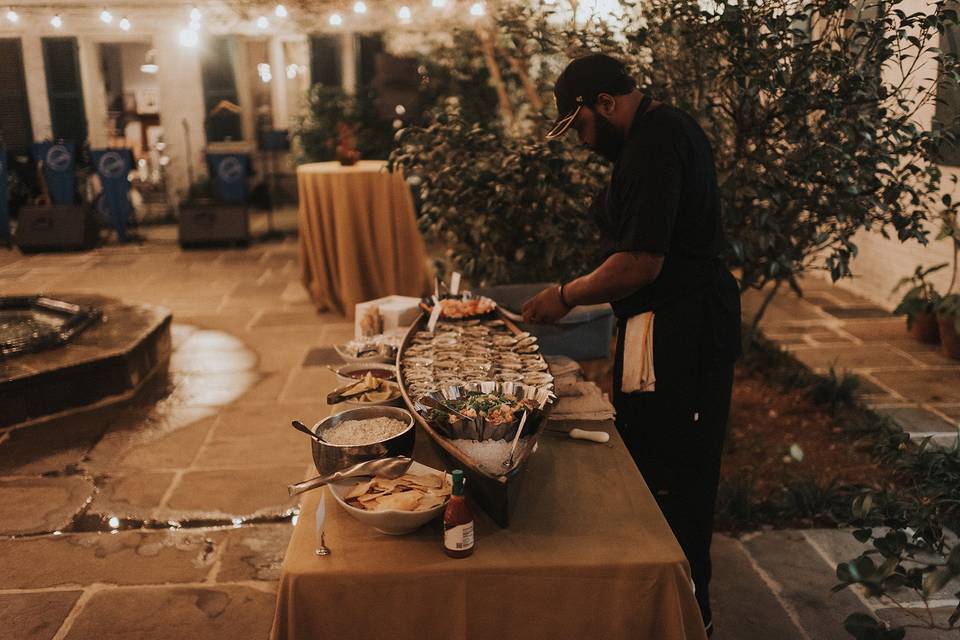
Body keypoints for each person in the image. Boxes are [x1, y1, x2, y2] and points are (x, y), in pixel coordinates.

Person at [521, 53, 741, 637]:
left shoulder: (655, 141)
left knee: (677, 469)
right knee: (647, 459)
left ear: (605, 103)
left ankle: (692, 616)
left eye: (584, 128)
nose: (584, 143)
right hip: (663, 324)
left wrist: (566, 295)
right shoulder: (650, 137)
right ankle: (653, 610)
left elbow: (640, 262)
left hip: (687, 332)